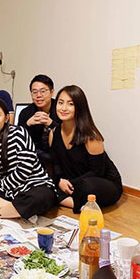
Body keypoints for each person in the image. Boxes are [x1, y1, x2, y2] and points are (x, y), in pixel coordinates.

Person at [50, 85, 122, 213]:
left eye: (70, 104)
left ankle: (65, 200)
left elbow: (97, 172)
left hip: (102, 183)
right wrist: (60, 180)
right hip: (73, 183)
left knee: (87, 186)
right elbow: (56, 163)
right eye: (60, 103)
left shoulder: (91, 136)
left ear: (79, 107)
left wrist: (70, 184)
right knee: (44, 182)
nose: (64, 108)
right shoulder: (53, 133)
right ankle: (78, 203)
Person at [18, 74, 61, 166]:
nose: (38, 95)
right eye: (34, 92)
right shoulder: (26, 112)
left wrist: (51, 123)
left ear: (52, 92)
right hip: (34, 154)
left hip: (59, 152)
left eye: (43, 91)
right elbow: (17, 140)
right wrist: (27, 124)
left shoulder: (60, 109)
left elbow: (68, 135)